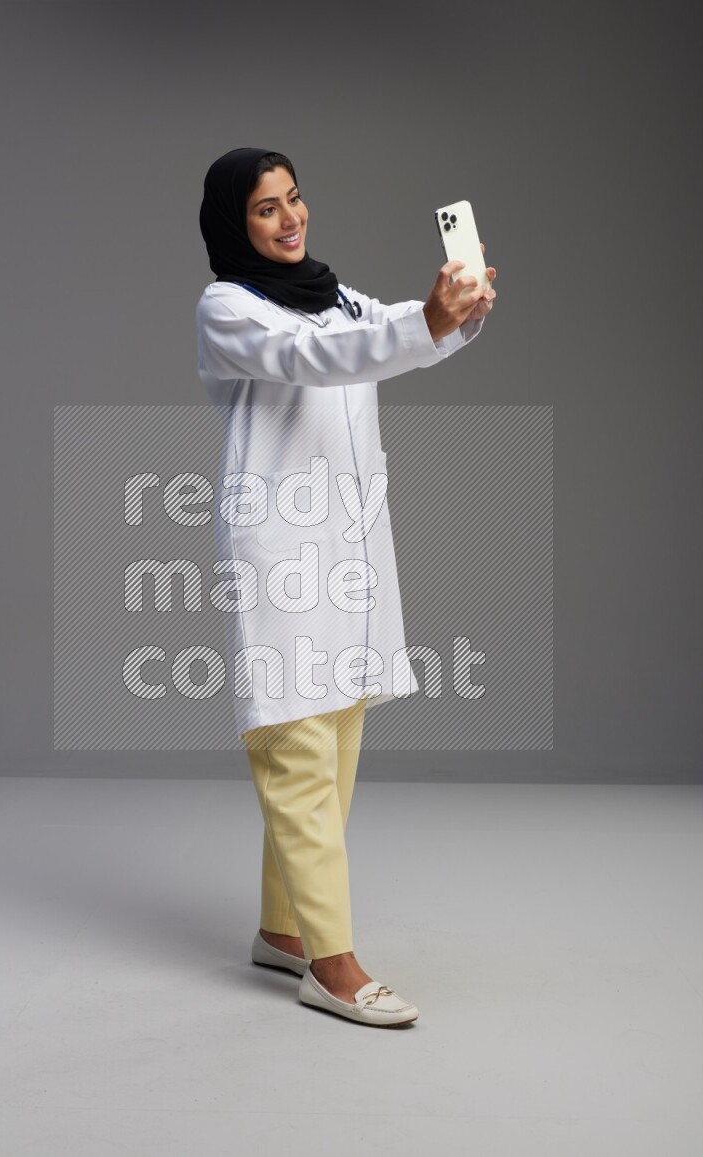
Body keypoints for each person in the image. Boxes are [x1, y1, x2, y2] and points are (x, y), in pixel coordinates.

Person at [197, 147, 496, 1027]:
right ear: (231, 223)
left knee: (334, 740)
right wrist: (425, 325)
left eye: (294, 200)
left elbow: (389, 329)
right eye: (265, 210)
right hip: (279, 548)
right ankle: (331, 964)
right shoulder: (230, 308)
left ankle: (283, 927)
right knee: (292, 747)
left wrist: (457, 311)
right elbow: (319, 356)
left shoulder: (335, 292)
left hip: (348, 545)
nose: (290, 219)